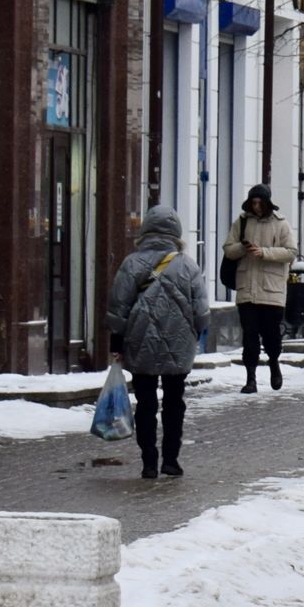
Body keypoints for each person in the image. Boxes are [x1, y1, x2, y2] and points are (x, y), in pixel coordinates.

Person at [106, 206, 210, 480]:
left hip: (140, 342)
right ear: (176, 233)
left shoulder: (131, 263)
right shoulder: (188, 265)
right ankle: (171, 460)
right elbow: (201, 310)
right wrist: (196, 332)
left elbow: (118, 306)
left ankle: (149, 461)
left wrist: (117, 340)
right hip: (179, 342)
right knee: (175, 401)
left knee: (146, 401)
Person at [222, 183, 297, 394]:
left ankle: (274, 363)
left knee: (271, 335)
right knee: (250, 336)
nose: (256, 207)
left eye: (259, 203)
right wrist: (242, 248)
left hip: (272, 290)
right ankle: (250, 378)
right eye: (253, 203)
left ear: (267, 203)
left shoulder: (280, 224)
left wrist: (264, 252)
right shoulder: (242, 221)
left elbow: (291, 252)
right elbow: (228, 249)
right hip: (246, 289)